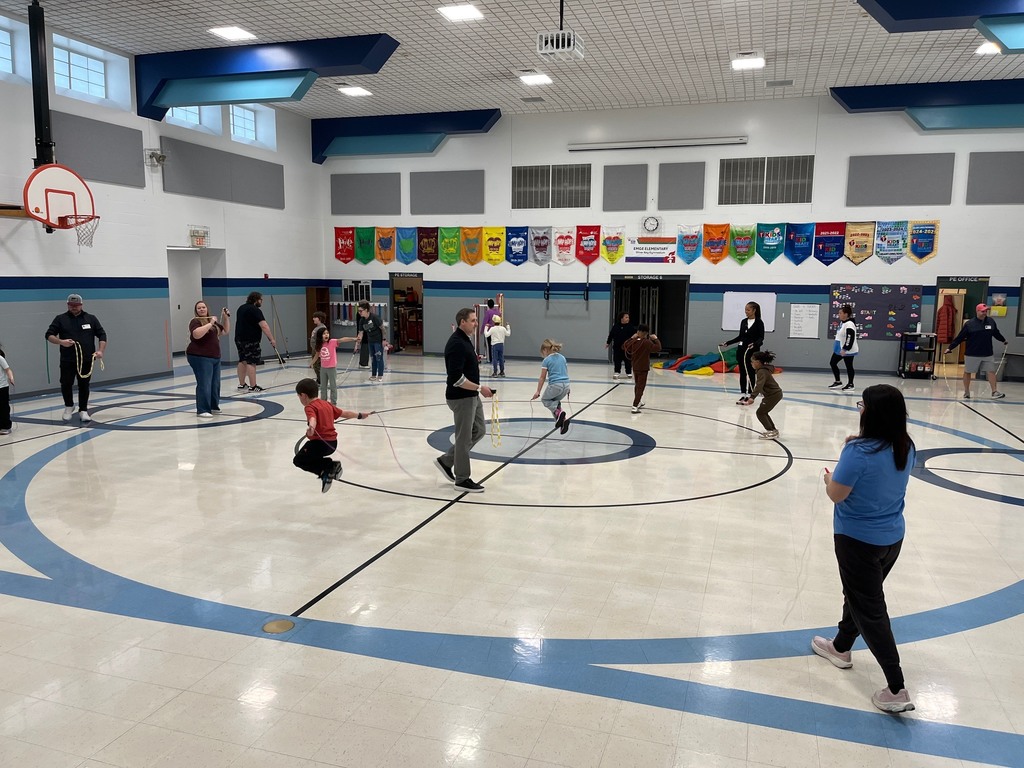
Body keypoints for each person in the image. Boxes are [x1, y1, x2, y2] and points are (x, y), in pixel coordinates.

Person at [814, 384, 916, 714]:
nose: (860, 409)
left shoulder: (858, 453)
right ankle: (841, 647)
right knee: (859, 596)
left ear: (871, 413)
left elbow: (836, 494)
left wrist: (829, 478)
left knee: (870, 609)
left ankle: (896, 687)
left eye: (862, 405)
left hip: (857, 540)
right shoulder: (905, 446)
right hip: (891, 538)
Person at [435, 308, 494, 493]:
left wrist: (477, 390)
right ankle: (462, 479)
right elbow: (456, 379)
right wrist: (479, 388)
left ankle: (447, 461)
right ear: (462, 322)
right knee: (463, 438)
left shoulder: (465, 340)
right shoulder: (456, 344)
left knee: (480, 430)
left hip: (472, 396)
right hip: (461, 398)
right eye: (473, 320)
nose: (476, 323)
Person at [293, 378, 370, 493]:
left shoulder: (309, 407)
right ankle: (330, 467)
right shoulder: (326, 404)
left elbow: (312, 418)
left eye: (299, 396)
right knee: (309, 457)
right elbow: (344, 413)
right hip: (332, 443)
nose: (299, 399)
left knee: (299, 460)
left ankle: (328, 468)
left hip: (320, 444)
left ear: (303, 395)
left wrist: (311, 427)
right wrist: (359, 415)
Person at [45, 293, 107, 423]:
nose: (74, 307)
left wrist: (100, 351)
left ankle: (83, 410)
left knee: (84, 385)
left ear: (81, 305)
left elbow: (102, 335)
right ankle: (69, 406)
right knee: (66, 383)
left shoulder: (91, 318)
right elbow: (49, 335)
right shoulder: (60, 319)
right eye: (71, 305)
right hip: (68, 359)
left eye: (76, 305)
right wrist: (61, 342)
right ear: (68, 305)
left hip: (86, 359)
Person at [944, 303, 1008, 399]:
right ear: (977, 311)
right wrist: (950, 348)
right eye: (983, 311)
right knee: (968, 372)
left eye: (986, 311)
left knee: (991, 371)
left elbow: (996, 333)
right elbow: (960, 337)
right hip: (972, 354)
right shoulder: (969, 324)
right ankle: (966, 392)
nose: (985, 313)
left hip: (987, 353)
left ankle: (994, 392)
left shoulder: (991, 322)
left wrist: (1003, 340)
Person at [187, 301, 230, 418]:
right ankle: (202, 409)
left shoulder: (212, 322)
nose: (202, 309)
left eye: (203, 307)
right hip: (200, 356)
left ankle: (213, 406)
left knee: (215, 383)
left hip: (214, 356)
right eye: (199, 308)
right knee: (204, 383)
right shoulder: (195, 321)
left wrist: (225, 318)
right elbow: (196, 334)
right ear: (196, 310)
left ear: (207, 308)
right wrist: (210, 323)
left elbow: (225, 331)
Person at [720, 301, 764, 405]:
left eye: (748, 310)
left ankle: (750, 394)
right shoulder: (743, 321)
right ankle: (743, 393)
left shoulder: (759, 322)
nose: (746, 312)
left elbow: (761, 338)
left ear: (754, 310)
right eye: (745, 310)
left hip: (752, 351)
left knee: (751, 372)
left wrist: (754, 344)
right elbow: (740, 337)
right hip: (742, 350)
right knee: (743, 373)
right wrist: (728, 343)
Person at [234, 292, 276, 393]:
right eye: (261, 300)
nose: (261, 302)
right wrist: (271, 339)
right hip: (251, 340)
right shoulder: (255, 310)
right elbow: (264, 325)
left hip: (239, 338)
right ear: (256, 300)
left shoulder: (241, 308)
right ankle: (253, 386)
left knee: (242, 360)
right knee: (251, 361)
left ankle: (242, 384)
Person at [532, 338, 571, 434]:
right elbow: (565, 372)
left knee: (545, 400)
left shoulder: (546, 360)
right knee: (555, 402)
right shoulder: (562, 357)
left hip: (555, 385)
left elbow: (542, 377)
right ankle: (563, 421)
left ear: (545, 350)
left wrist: (538, 391)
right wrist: (568, 388)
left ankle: (559, 413)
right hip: (566, 385)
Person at [622, 324, 661, 414]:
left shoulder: (634, 341)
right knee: (641, 387)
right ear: (646, 333)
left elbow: (624, 346)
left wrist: (631, 338)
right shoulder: (647, 342)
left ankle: (638, 401)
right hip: (643, 368)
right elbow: (658, 348)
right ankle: (635, 406)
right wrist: (656, 339)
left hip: (635, 367)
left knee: (637, 385)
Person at [745, 350, 783, 438]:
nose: (751, 363)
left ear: (758, 362)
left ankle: (771, 431)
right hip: (774, 394)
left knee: (760, 413)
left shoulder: (761, 371)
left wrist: (752, 397)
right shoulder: (763, 370)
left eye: (752, 361)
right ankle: (773, 430)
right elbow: (764, 384)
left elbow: (759, 384)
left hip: (773, 395)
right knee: (763, 412)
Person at [314, 326, 357, 405]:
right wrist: (312, 363)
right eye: (324, 334)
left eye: (327, 333)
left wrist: (353, 339)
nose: (326, 335)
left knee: (333, 386)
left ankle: (333, 402)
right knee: (323, 387)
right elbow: (317, 355)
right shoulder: (320, 345)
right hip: (323, 368)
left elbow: (342, 339)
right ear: (320, 336)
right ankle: (323, 402)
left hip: (331, 368)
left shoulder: (332, 342)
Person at [828, 304, 859, 391]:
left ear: (846, 314)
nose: (839, 315)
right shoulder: (843, 323)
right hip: (839, 348)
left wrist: (845, 348)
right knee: (833, 363)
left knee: (849, 366)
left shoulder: (849, 324)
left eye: (840, 313)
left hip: (847, 350)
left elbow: (850, 337)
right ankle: (838, 381)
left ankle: (850, 384)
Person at [356, 300, 385, 382]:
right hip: (370, 341)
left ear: (366, 310)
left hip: (378, 341)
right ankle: (373, 374)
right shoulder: (362, 321)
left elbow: (383, 329)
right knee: (373, 358)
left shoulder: (375, 317)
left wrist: (384, 340)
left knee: (379, 357)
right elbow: (360, 333)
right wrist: (357, 343)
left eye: (361, 311)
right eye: (358, 311)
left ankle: (380, 375)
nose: (359, 313)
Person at [605, 311, 637, 380]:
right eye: (626, 317)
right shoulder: (616, 326)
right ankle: (617, 372)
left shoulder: (630, 326)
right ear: (621, 318)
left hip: (627, 348)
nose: (628, 319)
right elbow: (611, 335)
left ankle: (628, 372)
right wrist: (608, 343)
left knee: (628, 360)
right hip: (617, 347)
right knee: (617, 360)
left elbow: (635, 335)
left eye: (628, 317)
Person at [310, 310, 327, 382]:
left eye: (315, 317)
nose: (313, 319)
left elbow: (323, 340)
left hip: (318, 349)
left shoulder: (322, 328)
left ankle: (321, 380)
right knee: (316, 366)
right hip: (314, 348)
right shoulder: (317, 327)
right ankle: (319, 379)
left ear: (319, 318)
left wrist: (320, 351)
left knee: (317, 366)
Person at [0, 347, 13, 435]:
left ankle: (6, 426)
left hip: (2, 386)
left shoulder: (0, 358)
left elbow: (8, 369)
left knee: (3, 407)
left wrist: (11, 378)